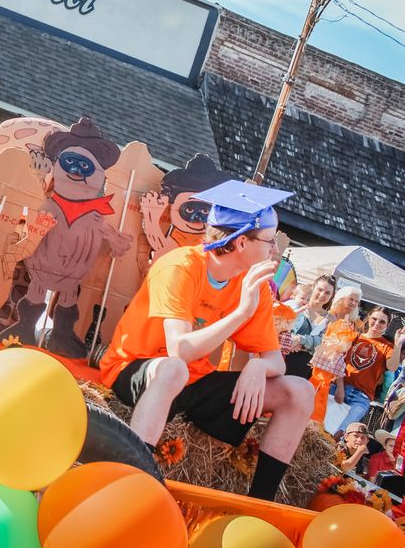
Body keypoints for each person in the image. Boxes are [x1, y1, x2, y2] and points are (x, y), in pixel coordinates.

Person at [99, 180, 314, 501]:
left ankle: (260, 503)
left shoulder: (249, 283)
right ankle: (133, 481)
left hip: (195, 382)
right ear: (241, 243)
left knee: (299, 391)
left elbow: (275, 361)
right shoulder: (181, 266)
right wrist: (241, 312)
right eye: (270, 241)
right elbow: (180, 349)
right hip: (138, 370)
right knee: (174, 369)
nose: (274, 251)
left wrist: (258, 369)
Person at [334, 306, 405, 432]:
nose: (377, 323)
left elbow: (392, 367)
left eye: (382, 322)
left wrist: (398, 345)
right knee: (323, 426)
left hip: (362, 397)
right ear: (368, 318)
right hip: (338, 387)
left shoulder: (388, 346)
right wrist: (339, 388)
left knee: (342, 432)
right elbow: (338, 362)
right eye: (374, 319)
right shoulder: (354, 337)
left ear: (387, 325)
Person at [308, 286, 363, 424]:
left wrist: (340, 386)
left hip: (327, 378)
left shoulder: (350, 325)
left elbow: (339, 358)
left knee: (314, 413)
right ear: (340, 298)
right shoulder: (327, 317)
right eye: (351, 299)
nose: (354, 303)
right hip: (310, 370)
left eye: (357, 301)